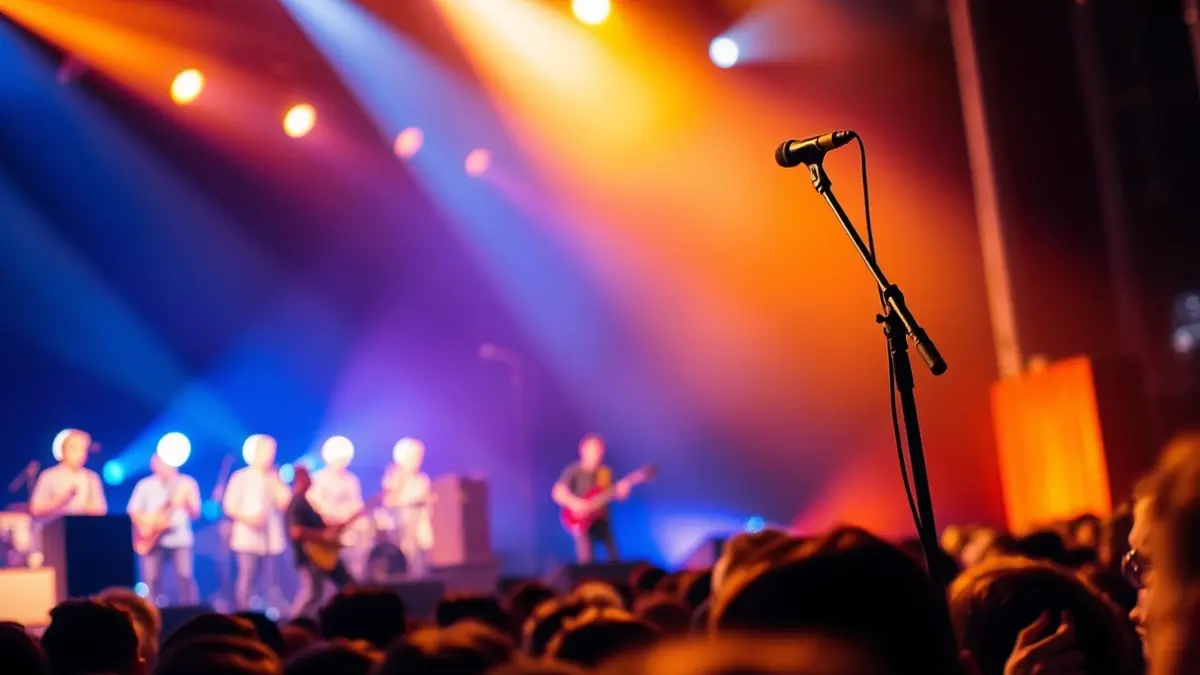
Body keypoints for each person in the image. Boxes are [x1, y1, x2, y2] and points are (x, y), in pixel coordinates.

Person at [222, 434, 290, 610]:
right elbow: (229, 505)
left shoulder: (276, 478)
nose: (270, 455)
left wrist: (275, 482)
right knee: (247, 577)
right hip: (246, 538)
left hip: (271, 539)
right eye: (267, 451)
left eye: (272, 451)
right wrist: (249, 519)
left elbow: (285, 503)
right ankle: (244, 612)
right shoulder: (240, 477)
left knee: (271, 580)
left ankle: (272, 614)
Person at [126, 453, 201, 605]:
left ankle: (189, 612)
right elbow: (133, 511)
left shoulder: (186, 484)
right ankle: (150, 614)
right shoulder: (145, 485)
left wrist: (185, 502)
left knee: (185, 576)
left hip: (180, 539)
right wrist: (152, 524)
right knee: (151, 579)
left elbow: (195, 513)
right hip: (152, 539)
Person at [288, 466, 353, 619]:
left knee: (318, 593)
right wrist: (323, 536)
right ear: (299, 480)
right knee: (312, 593)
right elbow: (297, 532)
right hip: (311, 556)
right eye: (307, 477)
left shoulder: (304, 503)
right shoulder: (298, 503)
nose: (311, 480)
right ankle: (295, 623)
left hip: (318, 556)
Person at [552, 434, 629, 563]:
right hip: (582, 523)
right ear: (583, 450)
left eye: (599, 450)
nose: (596, 454)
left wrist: (623, 492)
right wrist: (577, 504)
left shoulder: (605, 472)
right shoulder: (574, 471)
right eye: (593, 450)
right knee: (587, 560)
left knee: (614, 557)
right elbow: (557, 493)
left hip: (601, 520)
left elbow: (616, 494)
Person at [308, 438, 368, 579]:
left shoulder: (351, 480)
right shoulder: (318, 479)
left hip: (349, 533)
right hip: (326, 534)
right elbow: (314, 505)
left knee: (351, 571)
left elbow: (356, 504)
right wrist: (331, 519)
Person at [382, 438, 433, 577]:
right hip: (402, 528)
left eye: (419, 457)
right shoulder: (394, 478)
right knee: (405, 563)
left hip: (420, 528)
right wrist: (412, 502)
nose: (417, 461)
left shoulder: (422, 479)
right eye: (413, 457)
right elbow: (390, 502)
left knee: (421, 565)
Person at [30, 429, 107, 519]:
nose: (80, 453)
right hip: (53, 530)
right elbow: (35, 510)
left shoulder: (92, 478)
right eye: (75, 448)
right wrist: (62, 501)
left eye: (83, 449)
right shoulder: (49, 475)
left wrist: (90, 510)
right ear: (64, 449)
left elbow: (102, 511)